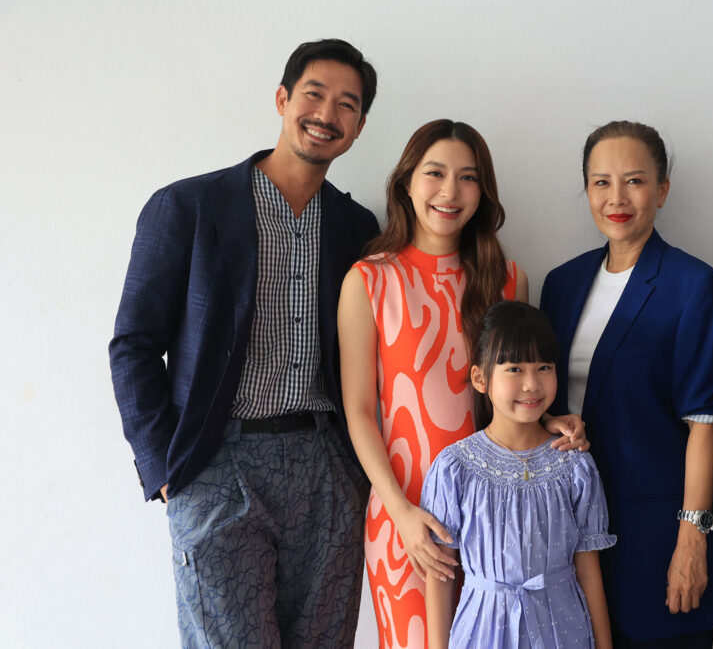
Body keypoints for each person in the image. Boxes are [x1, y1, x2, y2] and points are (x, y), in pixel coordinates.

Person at [109, 39, 379, 647]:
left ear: (359, 126)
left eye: (347, 104)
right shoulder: (189, 206)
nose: (326, 114)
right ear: (282, 99)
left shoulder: (356, 228)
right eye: (313, 94)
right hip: (218, 461)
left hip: (327, 466)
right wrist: (165, 469)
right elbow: (133, 344)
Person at [338, 119, 587, 648]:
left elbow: (512, 385)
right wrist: (401, 514)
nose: (450, 192)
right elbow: (358, 411)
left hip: (499, 523)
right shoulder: (368, 280)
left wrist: (546, 419)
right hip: (407, 519)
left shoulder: (508, 279)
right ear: (406, 183)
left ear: (483, 191)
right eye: (435, 173)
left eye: (468, 177)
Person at [540, 121, 713, 647]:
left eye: (634, 181)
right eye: (601, 182)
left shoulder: (695, 286)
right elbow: (542, 394)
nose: (617, 198)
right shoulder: (562, 284)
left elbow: (706, 425)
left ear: (661, 190)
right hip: (572, 537)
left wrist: (692, 541)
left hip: (661, 540)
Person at [420, 300, 616, 648]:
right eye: (514, 369)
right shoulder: (455, 468)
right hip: (482, 632)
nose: (531, 384)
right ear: (480, 378)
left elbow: (589, 571)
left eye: (544, 367)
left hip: (562, 630)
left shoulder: (575, 466)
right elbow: (441, 574)